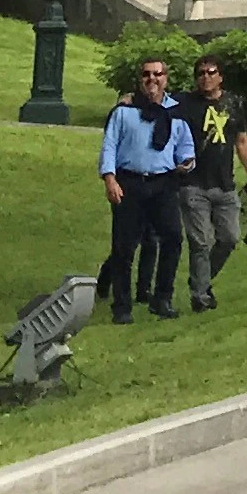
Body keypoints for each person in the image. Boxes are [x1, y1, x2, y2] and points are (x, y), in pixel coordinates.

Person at [97, 52, 195, 322]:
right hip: (129, 183)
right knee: (124, 247)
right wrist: (110, 178)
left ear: (166, 78)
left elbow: (186, 147)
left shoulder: (176, 113)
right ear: (140, 79)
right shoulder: (124, 111)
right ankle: (122, 306)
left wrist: (187, 163)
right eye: (146, 74)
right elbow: (109, 145)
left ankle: (162, 299)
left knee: (173, 238)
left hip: (163, 184)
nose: (152, 79)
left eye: (157, 74)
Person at [179, 53, 247, 312]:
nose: (205, 77)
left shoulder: (233, 104)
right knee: (200, 242)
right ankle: (200, 296)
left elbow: (242, 142)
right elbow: (156, 101)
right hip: (193, 184)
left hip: (225, 185)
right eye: (201, 73)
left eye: (211, 72)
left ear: (221, 77)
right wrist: (129, 99)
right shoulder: (185, 102)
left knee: (229, 238)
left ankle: (201, 281)